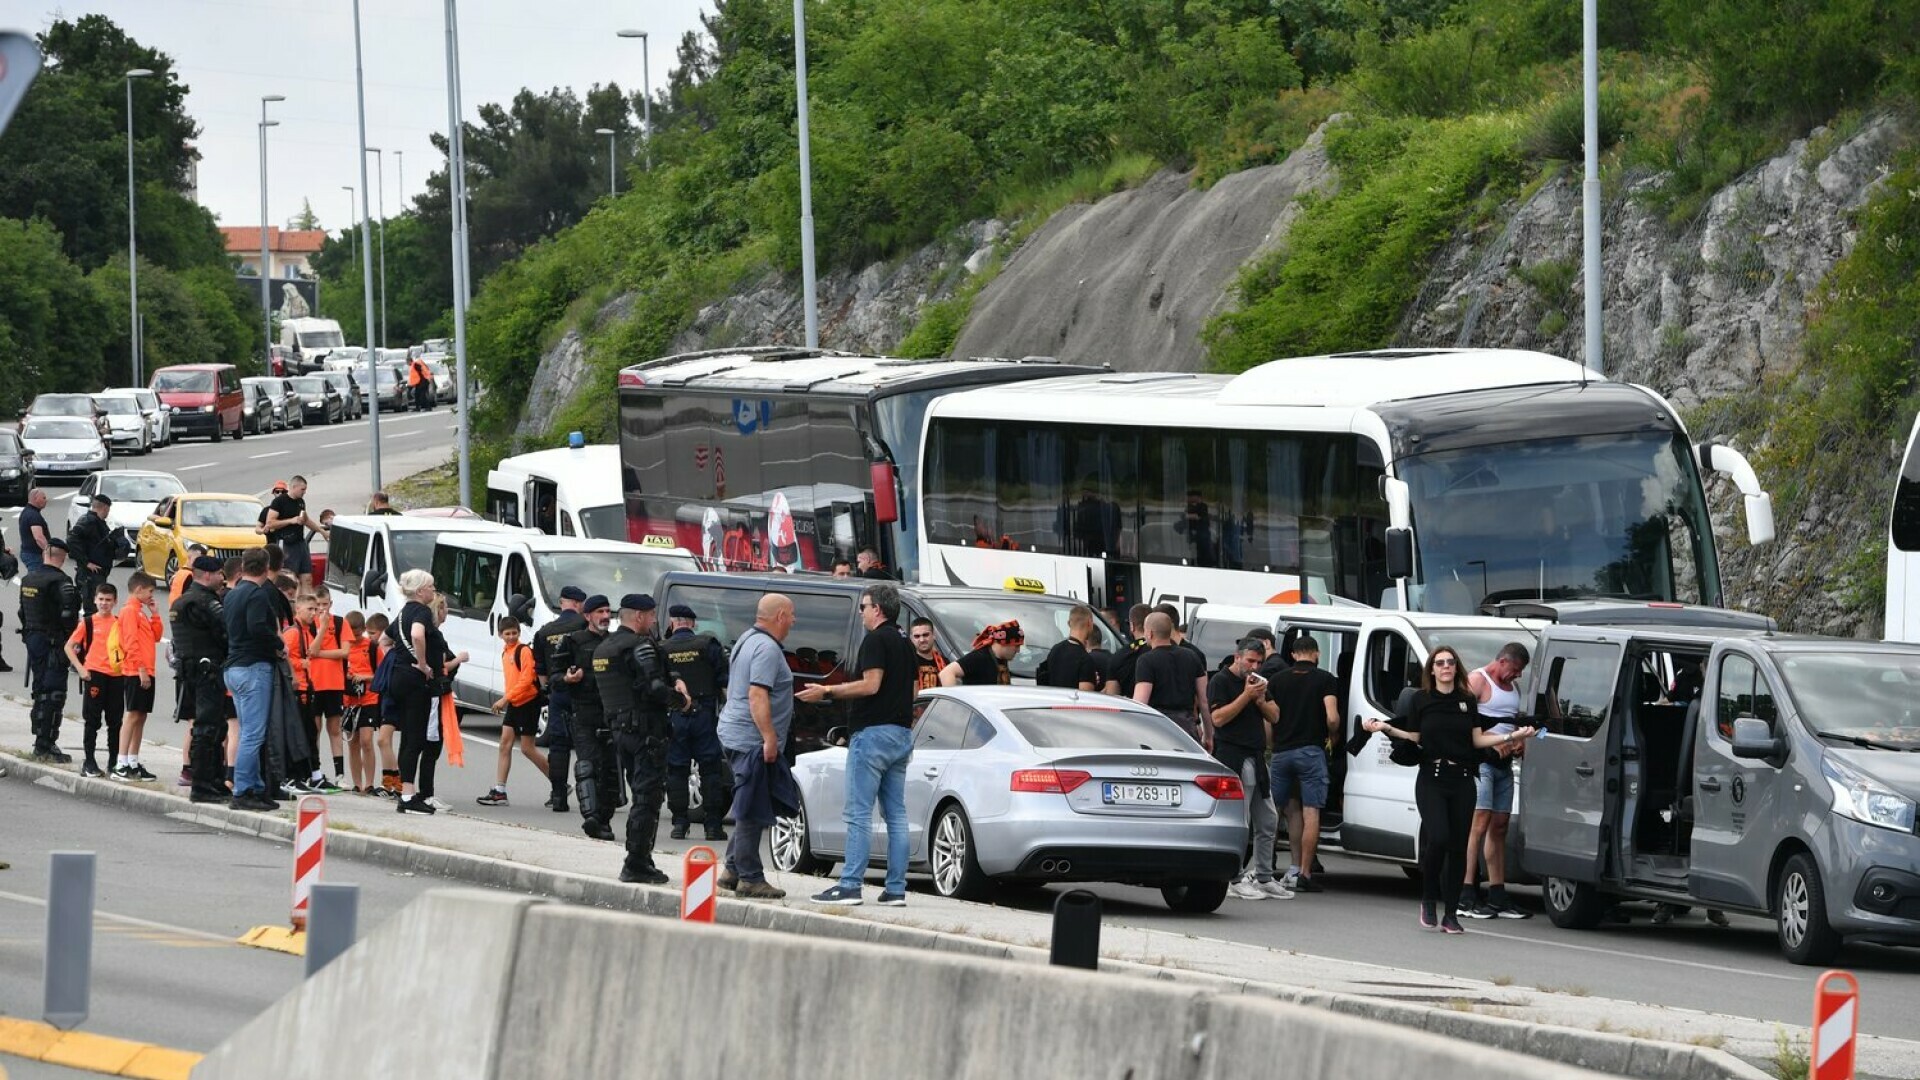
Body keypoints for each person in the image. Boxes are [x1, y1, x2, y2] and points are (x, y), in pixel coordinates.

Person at [1365, 646, 1536, 933]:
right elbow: (1415, 736)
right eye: (1440, 663)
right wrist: (1386, 728)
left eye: (1450, 662)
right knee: (1439, 837)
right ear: (1432, 669)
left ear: (1456, 668)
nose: (1446, 667)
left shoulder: (1467, 701)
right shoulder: (1421, 700)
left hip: (1463, 778)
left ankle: (1451, 913)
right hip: (1431, 777)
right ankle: (1429, 899)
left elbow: (1477, 741)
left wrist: (1513, 735)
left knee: (1458, 847)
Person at [799, 583, 917, 906]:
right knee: (896, 814)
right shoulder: (907, 643)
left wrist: (827, 692)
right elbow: (915, 692)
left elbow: (871, 684)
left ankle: (849, 884)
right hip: (901, 733)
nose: (862, 611)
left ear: (877, 609)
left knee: (858, 812)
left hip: (872, 734)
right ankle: (896, 889)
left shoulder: (875, 640)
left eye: (864, 606)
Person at [597, 595, 684, 885]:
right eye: (650, 615)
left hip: (619, 730)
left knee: (641, 796)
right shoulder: (639, 645)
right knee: (647, 798)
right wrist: (681, 701)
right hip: (646, 731)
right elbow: (655, 687)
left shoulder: (603, 648)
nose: (653, 620)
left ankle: (642, 858)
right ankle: (636, 862)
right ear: (638, 617)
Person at [715, 594, 798, 901]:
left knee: (751, 801)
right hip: (750, 738)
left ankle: (732, 870)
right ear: (779, 616)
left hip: (735, 732)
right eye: (791, 615)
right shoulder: (766, 648)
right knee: (752, 808)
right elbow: (756, 696)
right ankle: (750, 878)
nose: (793, 621)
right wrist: (770, 737)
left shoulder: (748, 639)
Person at [1210, 640, 1289, 900]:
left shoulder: (1260, 683)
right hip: (1232, 755)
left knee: (1268, 820)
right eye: (1250, 661)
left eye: (1259, 662)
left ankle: (1264, 875)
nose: (1255, 667)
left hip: (1256, 756)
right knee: (1239, 821)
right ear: (1238, 657)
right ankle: (1234, 877)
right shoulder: (1221, 681)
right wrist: (1246, 696)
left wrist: (1259, 700)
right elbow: (1218, 719)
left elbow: (1276, 716)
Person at [1461, 641, 1531, 919]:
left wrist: (1519, 741)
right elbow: (1461, 723)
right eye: (1514, 669)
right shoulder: (1478, 681)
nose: (1517, 676)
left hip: (1504, 764)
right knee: (1479, 822)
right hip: (1482, 763)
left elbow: (1511, 723)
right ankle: (1466, 890)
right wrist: (1491, 744)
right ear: (1502, 661)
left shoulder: (1513, 689)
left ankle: (1498, 892)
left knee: (1499, 825)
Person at [1268, 635, 1339, 894]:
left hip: (1281, 753)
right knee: (1311, 813)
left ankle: (1264, 870)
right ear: (1316, 654)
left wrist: (1272, 745)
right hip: (1311, 752)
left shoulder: (1277, 680)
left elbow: (1269, 720)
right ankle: (1303, 873)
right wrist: (1333, 738)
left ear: (1294, 655)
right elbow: (1332, 717)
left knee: (1274, 811)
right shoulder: (1325, 680)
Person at [661, 604, 729, 841]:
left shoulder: (662, 649)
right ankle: (712, 826)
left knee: (677, 770)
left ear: (673, 623)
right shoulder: (707, 645)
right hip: (704, 715)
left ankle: (679, 824)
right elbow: (724, 681)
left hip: (675, 716)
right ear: (692, 624)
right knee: (710, 770)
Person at [223, 547, 282, 811]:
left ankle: (256, 787)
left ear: (244, 566)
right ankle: (243, 789)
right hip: (253, 667)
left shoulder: (233, 594)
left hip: (233, 667)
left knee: (248, 729)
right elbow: (257, 627)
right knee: (253, 734)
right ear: (266, 567)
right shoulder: (257, 594)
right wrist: (278, 643)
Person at [172, 555, 229, 803]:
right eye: (219, 573)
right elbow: (223, 633)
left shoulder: (182, 601)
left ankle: (213, 781)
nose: (222, 578)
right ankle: (204, 785)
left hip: (191, 670)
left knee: (215, 726)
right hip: (207, 670)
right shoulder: (205, 602)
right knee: (208, 728)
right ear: (207, 575)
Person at [384, 570, 441, 815]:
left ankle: (405, 792)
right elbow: (418, 634)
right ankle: (408, 795)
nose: (433, 590)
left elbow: (384, 641)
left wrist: (399, 659)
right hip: (415, 681)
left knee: (407, 736)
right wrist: (422, 663)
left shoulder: (402, 612)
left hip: (398, 678)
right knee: (415, 738)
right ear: (420, 591)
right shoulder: (421, 611)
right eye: (431, 586)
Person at [478, 616, 550, 806]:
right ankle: (500, 791)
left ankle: (558, 782)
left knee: (527, 748)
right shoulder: (505, 652)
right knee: (504, 744)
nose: (511, 637)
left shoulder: (523, 651)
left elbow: (526, 680)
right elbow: (511, 680)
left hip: (528, 702)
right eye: (507, 634)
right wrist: (508, 698)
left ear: (519, 632)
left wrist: (504, 699)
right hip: (515, 702)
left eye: (514, 633)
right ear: (500, 634)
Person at [563, 594, 617, 839]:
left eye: (608, 611)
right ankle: (592, 817)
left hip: (613, 715)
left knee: (610, 770)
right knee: (588, 766)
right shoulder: (574, 642)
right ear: (588, 616)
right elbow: (553, 678)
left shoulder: (617, 642)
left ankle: (604, 820)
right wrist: (567, 678)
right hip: (584, 712)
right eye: (600, 612)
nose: (605, 616)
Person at [20, 538, 78, 762]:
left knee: (39, 690)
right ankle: (45, 744)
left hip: (33, 640)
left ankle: (39, 739)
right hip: (54, 641)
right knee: (54, 693)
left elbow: (22, 613)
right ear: (62, 558)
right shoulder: (61, 581)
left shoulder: (28, 579)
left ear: (45, 554)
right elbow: (69, 615)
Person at [532, 585, 588, 812]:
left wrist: (552, 689)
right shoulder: (585, 626)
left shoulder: (544, 632)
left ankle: (558, 796)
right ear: (577, 604)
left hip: (557, 694)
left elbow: (541, 672)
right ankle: (589, 797)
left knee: (558, 746)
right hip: (582, 695)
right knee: (586, 746)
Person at [291, 590, 352, 791]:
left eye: (324, 604)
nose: (321, 609)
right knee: (312, 729)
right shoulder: (309, 625)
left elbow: (344, 652)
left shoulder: (341, 622)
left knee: (335, 729)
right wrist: (323, 630)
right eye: (316, 606)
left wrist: (320, 654)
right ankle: (312, 772)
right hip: (313, 683)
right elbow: (310, 651)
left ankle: (340, 775)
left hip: (334, 683)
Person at [65, 582, 124, 780]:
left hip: (116, 676)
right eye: (101, 599)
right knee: (92, 720)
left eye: (108, 600)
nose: (104, 603)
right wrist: (82, 670)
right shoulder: (88, 622)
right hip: (95, 675)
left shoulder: (119, 623)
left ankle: (114, 761)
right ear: (95, 600)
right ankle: (89, 761)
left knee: (115, 721)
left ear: (115, 602)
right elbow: (69, 647)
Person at [112, 572, 164, 782]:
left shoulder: (140, 612)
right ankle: (121, 763)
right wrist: (141, 668)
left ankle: (133, 760)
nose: (151, 595)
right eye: (150, 591)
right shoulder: (130, 611)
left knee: (141, 715)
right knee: (133, 714)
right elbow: (130, 642)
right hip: (135, 670)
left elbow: (156, 636)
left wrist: (155, 614)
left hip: (145, 669)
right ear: (138, 589)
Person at [1131, 612, 1209, 746]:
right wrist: (1209, 734)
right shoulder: (1191, 656)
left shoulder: (1146, 661)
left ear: (1150, 633)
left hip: (1159, 729)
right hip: (1187, 728)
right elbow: (1204, 700)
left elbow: (1140, 703)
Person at [262, 476, 327, 579]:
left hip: (300, 542)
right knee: (289, 577)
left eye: (305, 489)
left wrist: (321, 531)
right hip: (286, 543)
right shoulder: (279, 502)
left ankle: (305, 594)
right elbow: (270, 523)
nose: (304, 492)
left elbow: (306, 520)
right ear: (293, 486)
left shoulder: (301, 502)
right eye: (302, 489)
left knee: (307, 576)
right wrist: (291, 520)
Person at [66, 494, 114, 621]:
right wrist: (86, 562)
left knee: (96, 610)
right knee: (92, 610)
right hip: (90, 575)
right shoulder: (88, 521)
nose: (108, 513)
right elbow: (71, 539)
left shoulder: (97, 522)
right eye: (108, 510)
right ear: (103, 508)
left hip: (97, 573)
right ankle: (89, 638)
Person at [939, 621, 1022, 686]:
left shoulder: (1002, 659)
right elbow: (946, 673)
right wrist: (955, 704)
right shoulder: (979, 657)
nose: (1018, 650)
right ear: (1004, 643)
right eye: (1016, 646)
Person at [1040, 604, 1102, 690]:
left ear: (1069, 623)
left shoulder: (1055, 650)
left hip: (1055, 702)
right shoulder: (1085, 659)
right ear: (1089, 623)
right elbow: (1086, 698)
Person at [908, 616, 945, 695]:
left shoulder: (945, 662)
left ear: (934, 635)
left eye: (925, 635)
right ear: (911, 638)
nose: (922, 640)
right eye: (917, 636)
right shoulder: (906, 662)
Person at [18, 488, 51, 572]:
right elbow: (39, 537)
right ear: (35, 498)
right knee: (36, 580)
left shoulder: (26, 512)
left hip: (28, 552)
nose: (46, 500)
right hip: (34, 554)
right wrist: (48, 551)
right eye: (43, 498)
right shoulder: (33, 515)